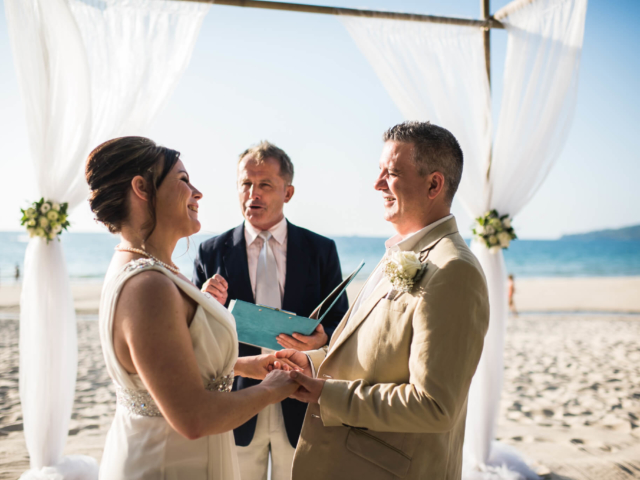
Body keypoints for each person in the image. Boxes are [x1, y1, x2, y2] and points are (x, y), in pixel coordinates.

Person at [277, 121, 490, 480]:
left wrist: (326, 394)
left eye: (390, 173)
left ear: (434, 184)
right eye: (380, 172)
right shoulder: (402, 251)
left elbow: (435, 406)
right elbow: (378, 352)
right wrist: (313, 362)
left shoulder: (454, 270)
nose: (377, 184)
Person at [86, 136, 299, 480]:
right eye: (183, 180)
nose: (197, 192)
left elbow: (171, 367)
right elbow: (193, 416)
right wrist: (271, 389)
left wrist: (245, 365)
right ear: (142, 188)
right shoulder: (148, 286)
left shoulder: (154, 268)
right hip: (168, 464)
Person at [193, 141, 348, 480]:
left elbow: (342, 324)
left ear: (288, 192)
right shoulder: (210, 251)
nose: (253, 194)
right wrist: (204, 303)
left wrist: (323, 339)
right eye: (246, 184)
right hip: (236, 401)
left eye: (265, 184)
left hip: (301, 398)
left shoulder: (321, 250)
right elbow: (192, 334)